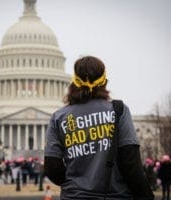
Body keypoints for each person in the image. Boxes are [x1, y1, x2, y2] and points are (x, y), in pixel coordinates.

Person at [44, 56, 154, 200]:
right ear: (104, 81)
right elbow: (131, 163)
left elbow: (52, 167)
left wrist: (75, 183)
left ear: (74, 82)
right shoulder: (118, 110)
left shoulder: (59, 117)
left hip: (74, 196)